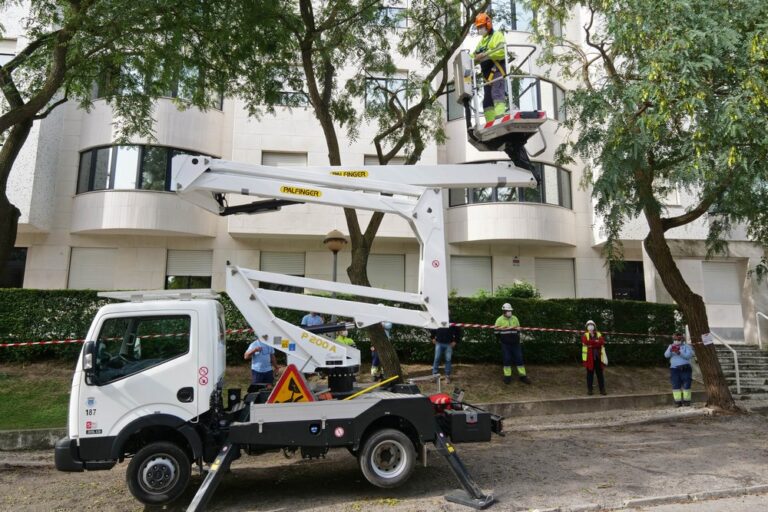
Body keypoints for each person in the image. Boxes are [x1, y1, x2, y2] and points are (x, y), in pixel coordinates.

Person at [470, 12, 508, 123]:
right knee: (487, 101)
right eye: (478, 28)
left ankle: (500, 117)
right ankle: (490, 122)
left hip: (497, 70)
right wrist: (468, 59)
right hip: (487, 76)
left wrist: (486, 54)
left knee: (497, 93)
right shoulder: (482, 42)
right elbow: (474, 55)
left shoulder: (497, 36)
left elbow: (502, 51)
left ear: (488, 25)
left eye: (481, 27)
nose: (479, 30)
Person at [494, 303, 531, 384]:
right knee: (507, 359)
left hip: (515, 343)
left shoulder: (515, 318)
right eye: (508, 310)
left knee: (519, 359)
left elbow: (518, 329)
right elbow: (496, 332)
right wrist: (502, 339)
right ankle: (507, 377)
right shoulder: (499, 320)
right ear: (503, 311)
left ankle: (523, 376)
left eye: (510, 310)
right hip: (505, 344)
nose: (509, 312)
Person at [665, 332, 694, 407]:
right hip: (674, 369)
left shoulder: (686, 346)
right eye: (675, 339)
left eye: (679, 339)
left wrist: (679, 352)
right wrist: (671, 349)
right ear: (673, 339)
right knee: (675, 386)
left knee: (687, 385)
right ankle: (677, 402)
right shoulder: (671, 346)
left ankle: (686, 401)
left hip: (685, 368)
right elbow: (666, 355)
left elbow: (688, 356)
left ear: (682, 339)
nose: (677, 340)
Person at [581, 320, 608, 396]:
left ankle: (602, 390)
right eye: (589, 325)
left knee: (600, 374)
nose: (590, 326)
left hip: (599, 358)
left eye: (591, 324)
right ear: (586, 327)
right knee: (590, 374)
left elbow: (601, 342)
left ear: (594, 326)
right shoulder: (585, 335)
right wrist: (596, 342)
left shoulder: (599, 334)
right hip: (589, 359)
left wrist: (592, 345)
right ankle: (590, 390)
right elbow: (586, 342)